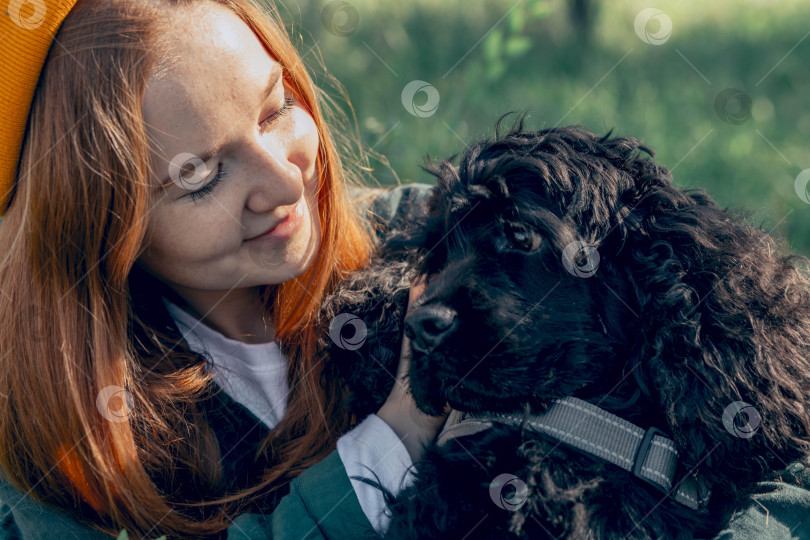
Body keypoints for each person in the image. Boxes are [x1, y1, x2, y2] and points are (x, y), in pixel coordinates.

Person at [0, 0, 448, 537]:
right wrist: (390, 443)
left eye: (276, 110)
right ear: (97, 228)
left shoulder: (438, 240)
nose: (284, 184)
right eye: (202, 177)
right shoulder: (53, 436)